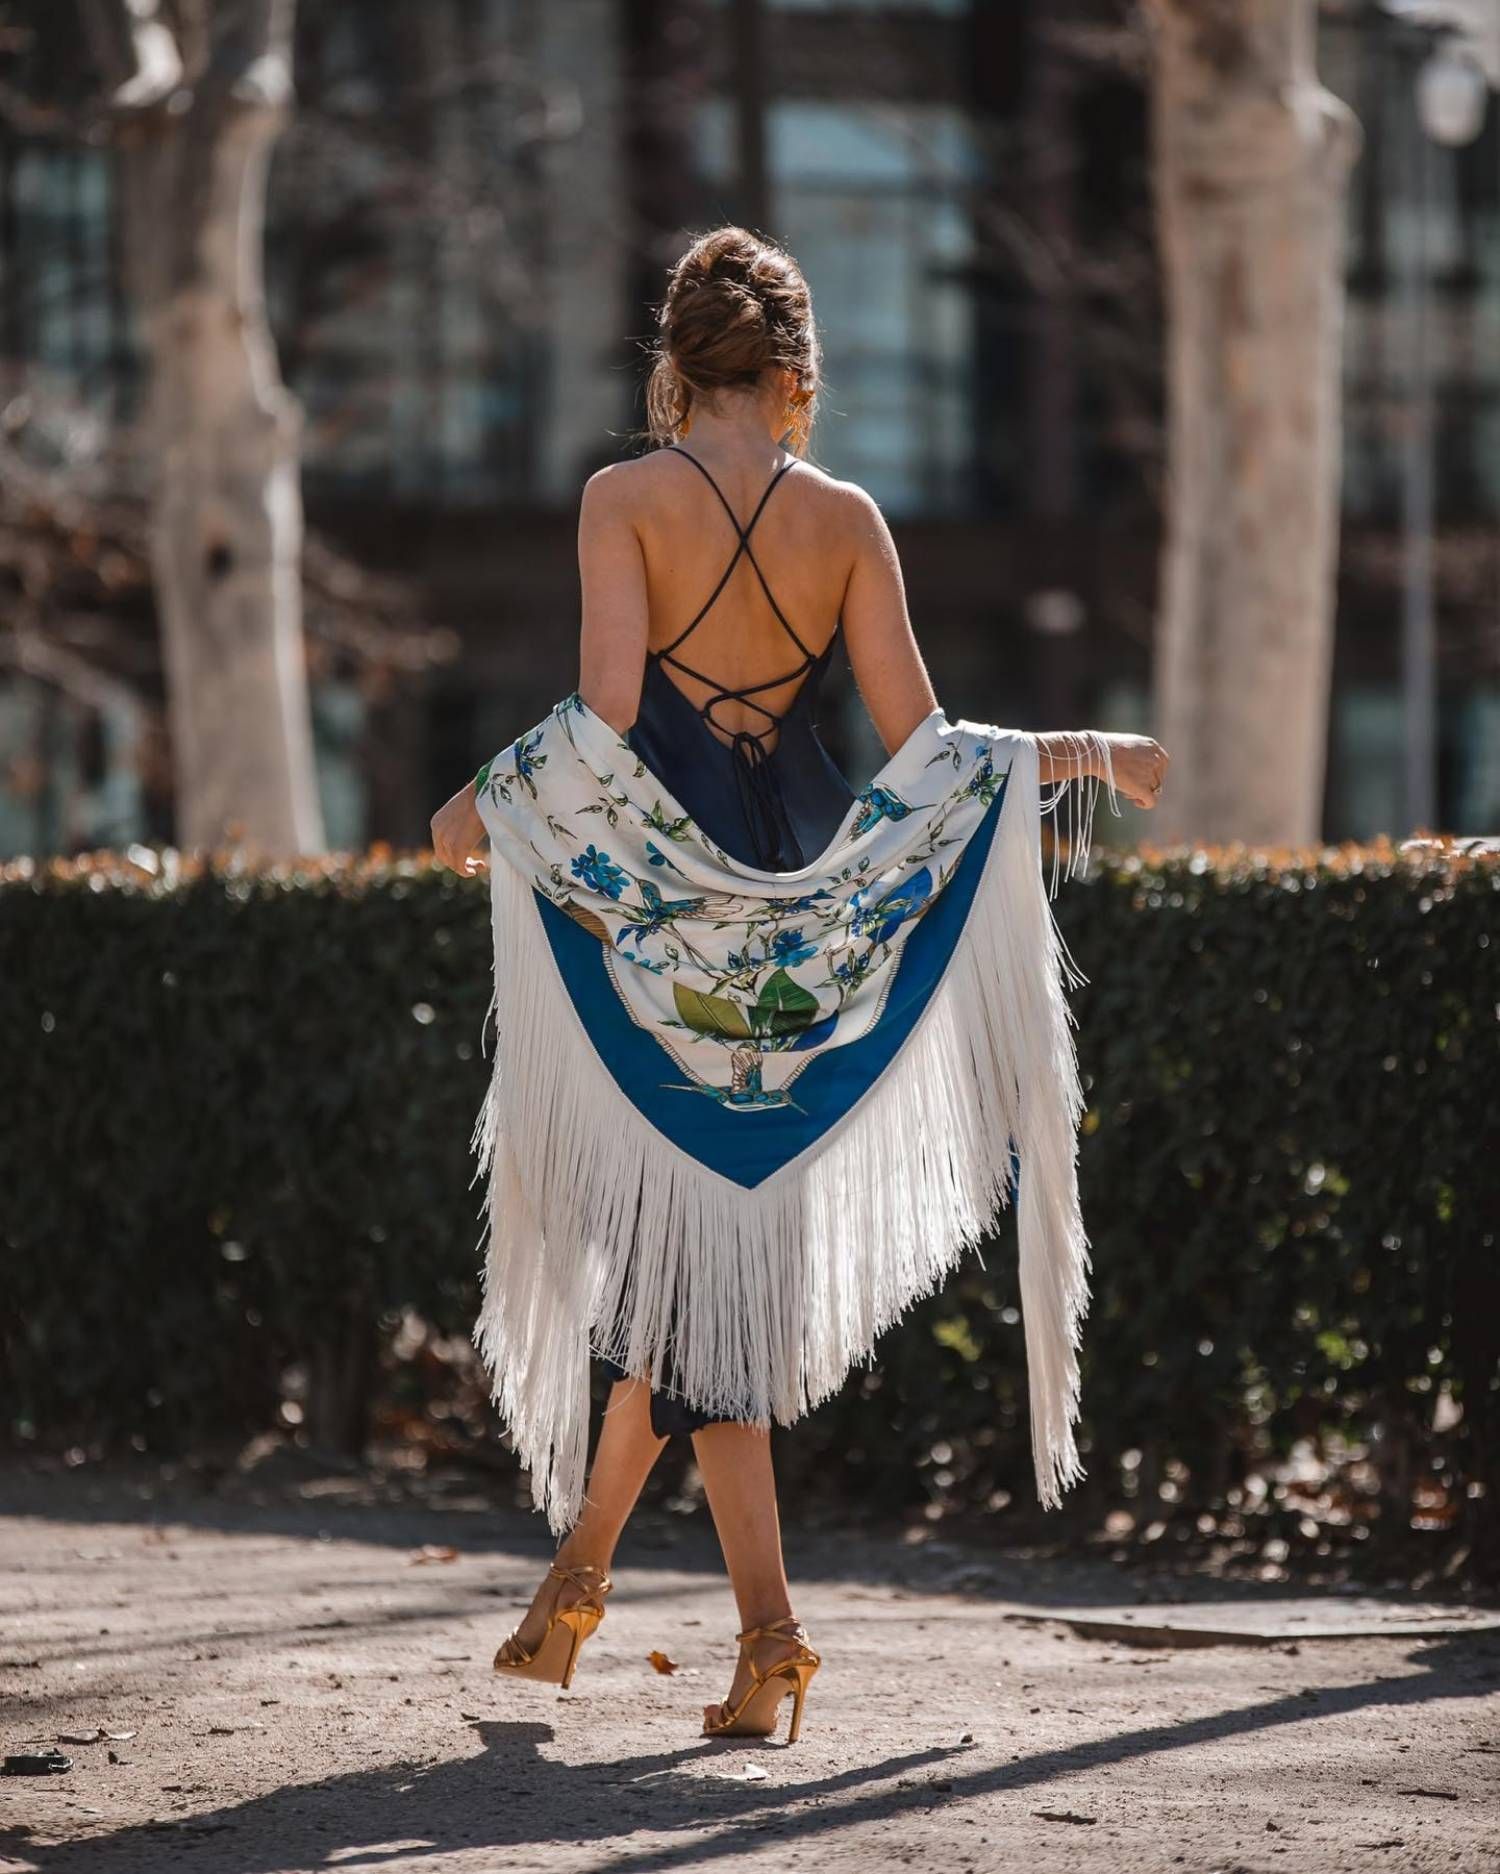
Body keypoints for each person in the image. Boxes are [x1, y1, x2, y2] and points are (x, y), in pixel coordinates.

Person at [431, 225, 1168, 1744]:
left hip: (672, 920)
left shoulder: (622, 498)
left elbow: (611, 715)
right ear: (793, 375)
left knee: (698, 1278)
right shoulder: (845, 517)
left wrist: (484, 797)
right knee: (705, 1284)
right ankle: (645, 1605)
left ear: (676, 368)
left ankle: (685, 1609)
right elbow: (924, 749)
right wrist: (1085, 755)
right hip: (801, 919)